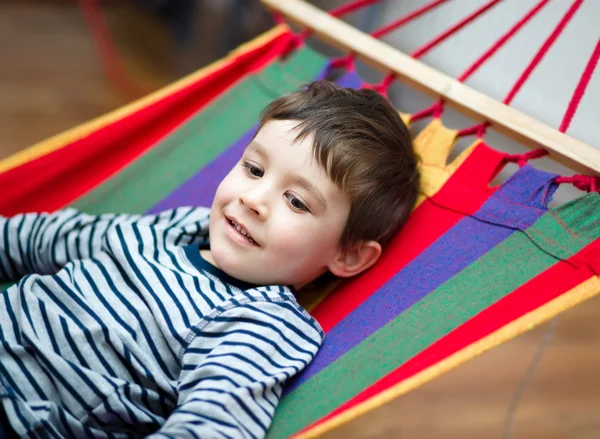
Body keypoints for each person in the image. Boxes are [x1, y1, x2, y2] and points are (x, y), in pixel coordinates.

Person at [0, 81, 418, 438]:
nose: (253, 200)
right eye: (254, 169)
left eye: (296, 201)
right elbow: (43, 239)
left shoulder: (260, 322)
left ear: (348, 255)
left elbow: (210, 427)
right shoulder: (176, 228)